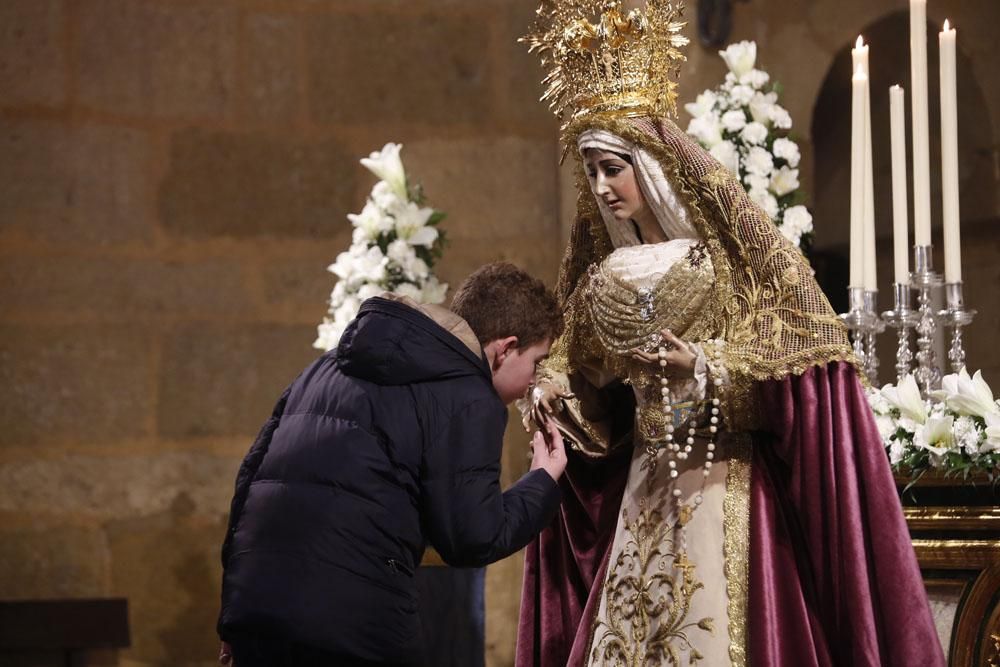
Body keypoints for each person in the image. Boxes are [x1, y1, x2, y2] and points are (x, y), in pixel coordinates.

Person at [516, 2, 944, 665]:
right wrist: (551, 390)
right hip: (645, 493)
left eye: (614, 165)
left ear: (653, 162)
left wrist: (708, 367)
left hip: (727, 489)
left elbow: (798, 361)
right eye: (592, 169)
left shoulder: (723, 266)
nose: (602, 186)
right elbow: (580, 371)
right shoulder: (600, 282)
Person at [217, 262, 567, 666]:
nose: (534, 381)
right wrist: (542, 480)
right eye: (537, 362)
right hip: (351, 626)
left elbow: (249, 483)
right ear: (505, 348)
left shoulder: (325, 366)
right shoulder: (468, 396)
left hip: (255, 611)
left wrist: (232, 616)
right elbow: (472, 537)